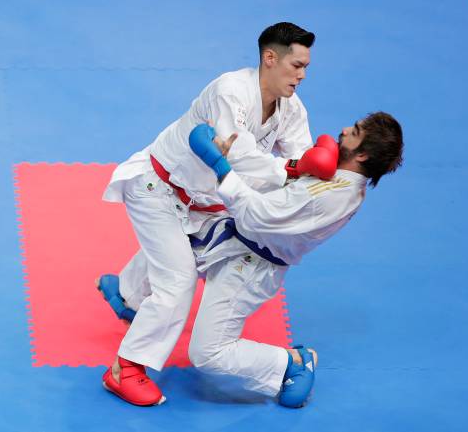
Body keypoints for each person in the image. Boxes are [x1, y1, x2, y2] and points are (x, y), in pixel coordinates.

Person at [98, 22, 339, 406]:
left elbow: (302, 163)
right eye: (296, 65)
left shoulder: (291, 110)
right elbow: (238, 156)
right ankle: (124, 369)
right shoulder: (231, 91)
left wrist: (319, 175)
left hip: (207, 203)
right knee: (178, 282)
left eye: (306, 67)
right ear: (270, 58)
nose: (302, 75)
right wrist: (293, 167)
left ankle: (127, 293)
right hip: (159, 188)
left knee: (200, 251)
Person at [185, 112, 403, 407]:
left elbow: (258, 215)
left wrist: (220, 166)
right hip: (236, 240)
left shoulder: (332, 196)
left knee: (207, 353)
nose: (342, 129)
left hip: (249, 267)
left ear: (362, 154)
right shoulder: (334, 172)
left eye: (354, 131)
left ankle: (290, 363)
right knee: (165, 235)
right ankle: (132, 298)